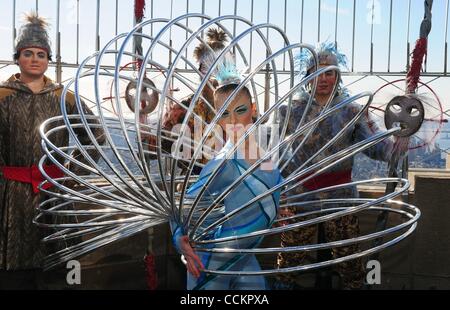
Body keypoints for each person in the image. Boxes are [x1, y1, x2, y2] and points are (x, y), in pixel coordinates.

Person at [275, 42, 394, 290]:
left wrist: (400, 139)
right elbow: (272, 154)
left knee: (350, 261)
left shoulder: (352, 111)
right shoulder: (290, 111)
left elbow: (376, 147)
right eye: (317, 72)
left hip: (340, 198)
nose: (323, 78)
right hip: (299, 196)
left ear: (337, 77)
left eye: (329, 72)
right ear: (308, 77)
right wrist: (276, 195)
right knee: (288, 264)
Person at [0, 12, 104, 289]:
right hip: (11, 195)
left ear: (48, 59)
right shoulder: (2, 96)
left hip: (54, 190)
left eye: (41, 54)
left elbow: (96, 134)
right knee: (13, 271)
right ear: (18, 57)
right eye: (28, 53)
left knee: (60, 269)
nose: (35, 59)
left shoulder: (65, 97)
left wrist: (74, 171)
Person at [170, 43, 283, 290]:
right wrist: (181, 242)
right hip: (211, 267)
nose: (232, 121)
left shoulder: (269, 158)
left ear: (253, 110)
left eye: (240, 110)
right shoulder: (222, 164)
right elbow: (182, 209)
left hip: (246, 262)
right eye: (224, 113)